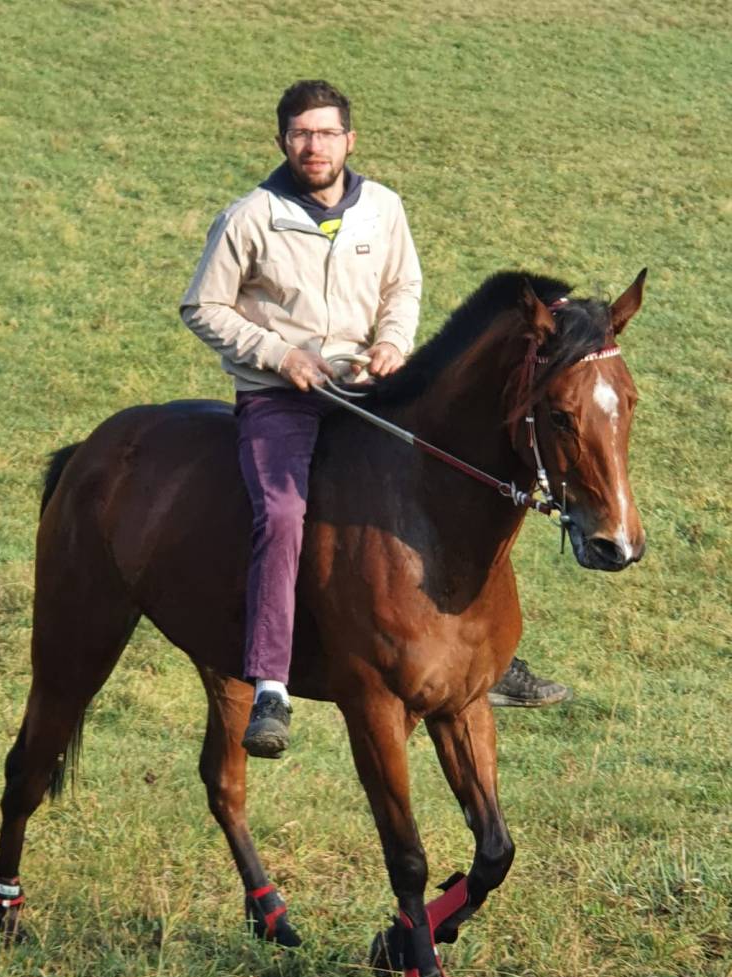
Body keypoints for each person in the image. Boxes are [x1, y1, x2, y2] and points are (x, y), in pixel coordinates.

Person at [181, 80, 570, 758]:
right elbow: (203, 308)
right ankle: (271, 680)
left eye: (326, 133)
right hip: (281, 398)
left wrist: (393, 341)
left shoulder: (382, 208)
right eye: (301, 133)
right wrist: (278, 353)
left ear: (348, 140)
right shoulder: (248, 217)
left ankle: (489, 657)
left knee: (462, 487)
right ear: (282, 141)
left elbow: (403, 286)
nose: (314, 145)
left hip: (369, 390)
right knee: (280, 513)